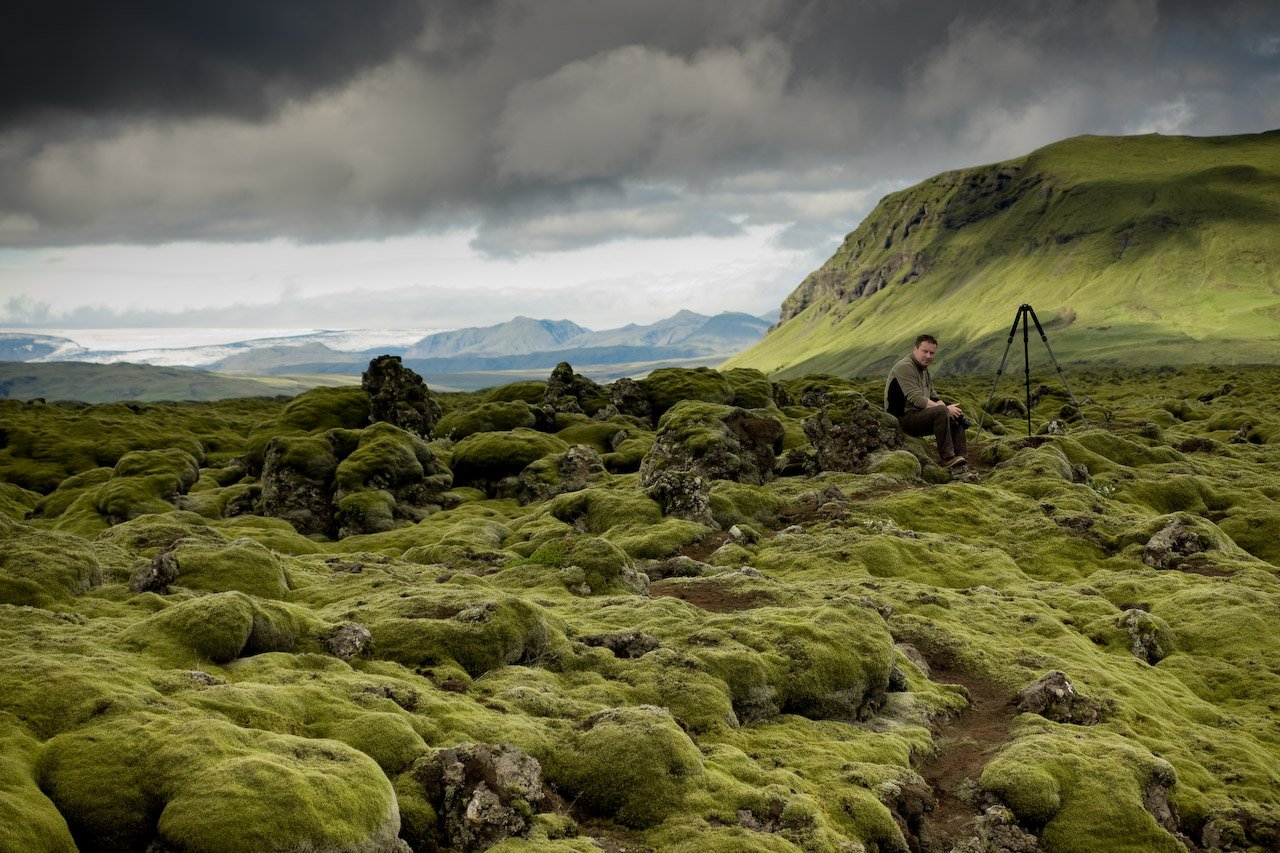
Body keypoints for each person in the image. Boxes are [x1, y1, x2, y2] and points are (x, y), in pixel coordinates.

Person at [884, 334, 968, 468]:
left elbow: (933, 396)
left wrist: (951, 410)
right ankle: (948, 459)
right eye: (925, 351)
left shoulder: (923, 369)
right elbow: (917, 399)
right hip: (901, 419)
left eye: (932, 353)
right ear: (915, 349)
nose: (928, 356)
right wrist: (945, 410)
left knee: (955, 413)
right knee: (942, 412)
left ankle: (962, 458)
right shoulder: (905, 367)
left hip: (918, 415)